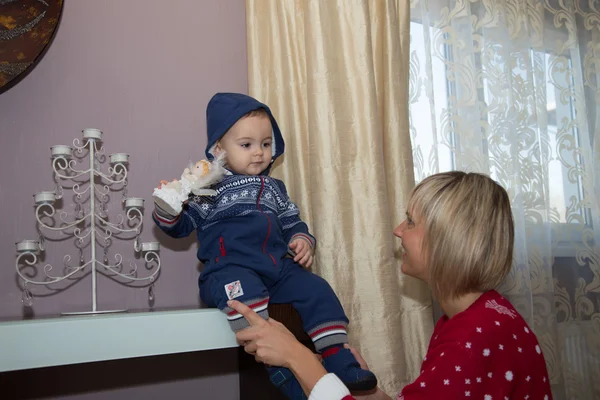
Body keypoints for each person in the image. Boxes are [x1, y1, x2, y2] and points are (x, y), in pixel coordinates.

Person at [229, 171, 553, 400]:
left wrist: (295, 357)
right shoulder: (474, 317)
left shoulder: (476, 334)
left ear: (446, 242)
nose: (398, 230)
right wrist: (374, 396)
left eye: (411, 221)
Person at [152, 92, 377, 398]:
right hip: (229, 268)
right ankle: (282, 372)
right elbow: (182, 227)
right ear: (219, 148)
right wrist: (169, 209)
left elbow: (291, 221)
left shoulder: (275, 189)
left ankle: (338, 356)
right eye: (246, 145)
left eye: (266, 144)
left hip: (277, 268)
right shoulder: (209, 189)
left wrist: (301, 239)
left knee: (317, 289)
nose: (258, 153)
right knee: (248, 301)